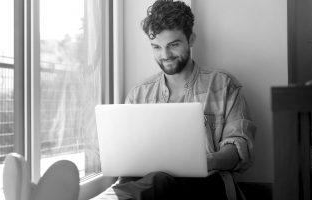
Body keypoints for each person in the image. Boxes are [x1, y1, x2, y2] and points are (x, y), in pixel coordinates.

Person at [110, 0, 257, 199]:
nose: (165, 55)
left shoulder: (224, 84)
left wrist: (205, 161)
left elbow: (238, 147)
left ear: (191, 39)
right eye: (156, 47)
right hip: (151, 186)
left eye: (174, 45)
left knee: (159, 181)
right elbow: (127, 154)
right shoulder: (138, 94)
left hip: (206, 183)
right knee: (150, 180)